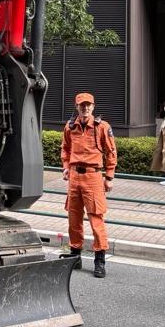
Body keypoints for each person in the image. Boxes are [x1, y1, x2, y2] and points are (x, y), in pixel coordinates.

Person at [60, 91, 117, 278]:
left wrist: (109, 177)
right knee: (73, 219)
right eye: (81, 105)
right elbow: (65, 148)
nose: (85, 108)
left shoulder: (102, 127)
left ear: (93, 106)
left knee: (96, 219)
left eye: (88, 105)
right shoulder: (70, 127)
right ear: (76, 107)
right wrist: (66, 167)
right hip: (75, 177)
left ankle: (100, 260)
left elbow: (111, 152)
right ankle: (75, 256)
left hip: (93, 177)